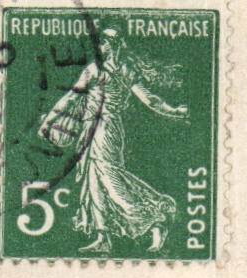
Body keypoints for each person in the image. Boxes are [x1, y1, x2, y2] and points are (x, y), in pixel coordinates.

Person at [38, 27, 188, 254]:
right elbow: (71, 97)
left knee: (110, 179)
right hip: (91, 130)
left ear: (113, 45)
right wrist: (49, 120)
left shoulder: (106, 70)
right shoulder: (101, 70)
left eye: (103, 44)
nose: (99, 48)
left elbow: (151, 100)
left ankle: (155, 218)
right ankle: (103, 237)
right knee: (94, 183)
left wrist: (174, 110)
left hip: (106, 130)